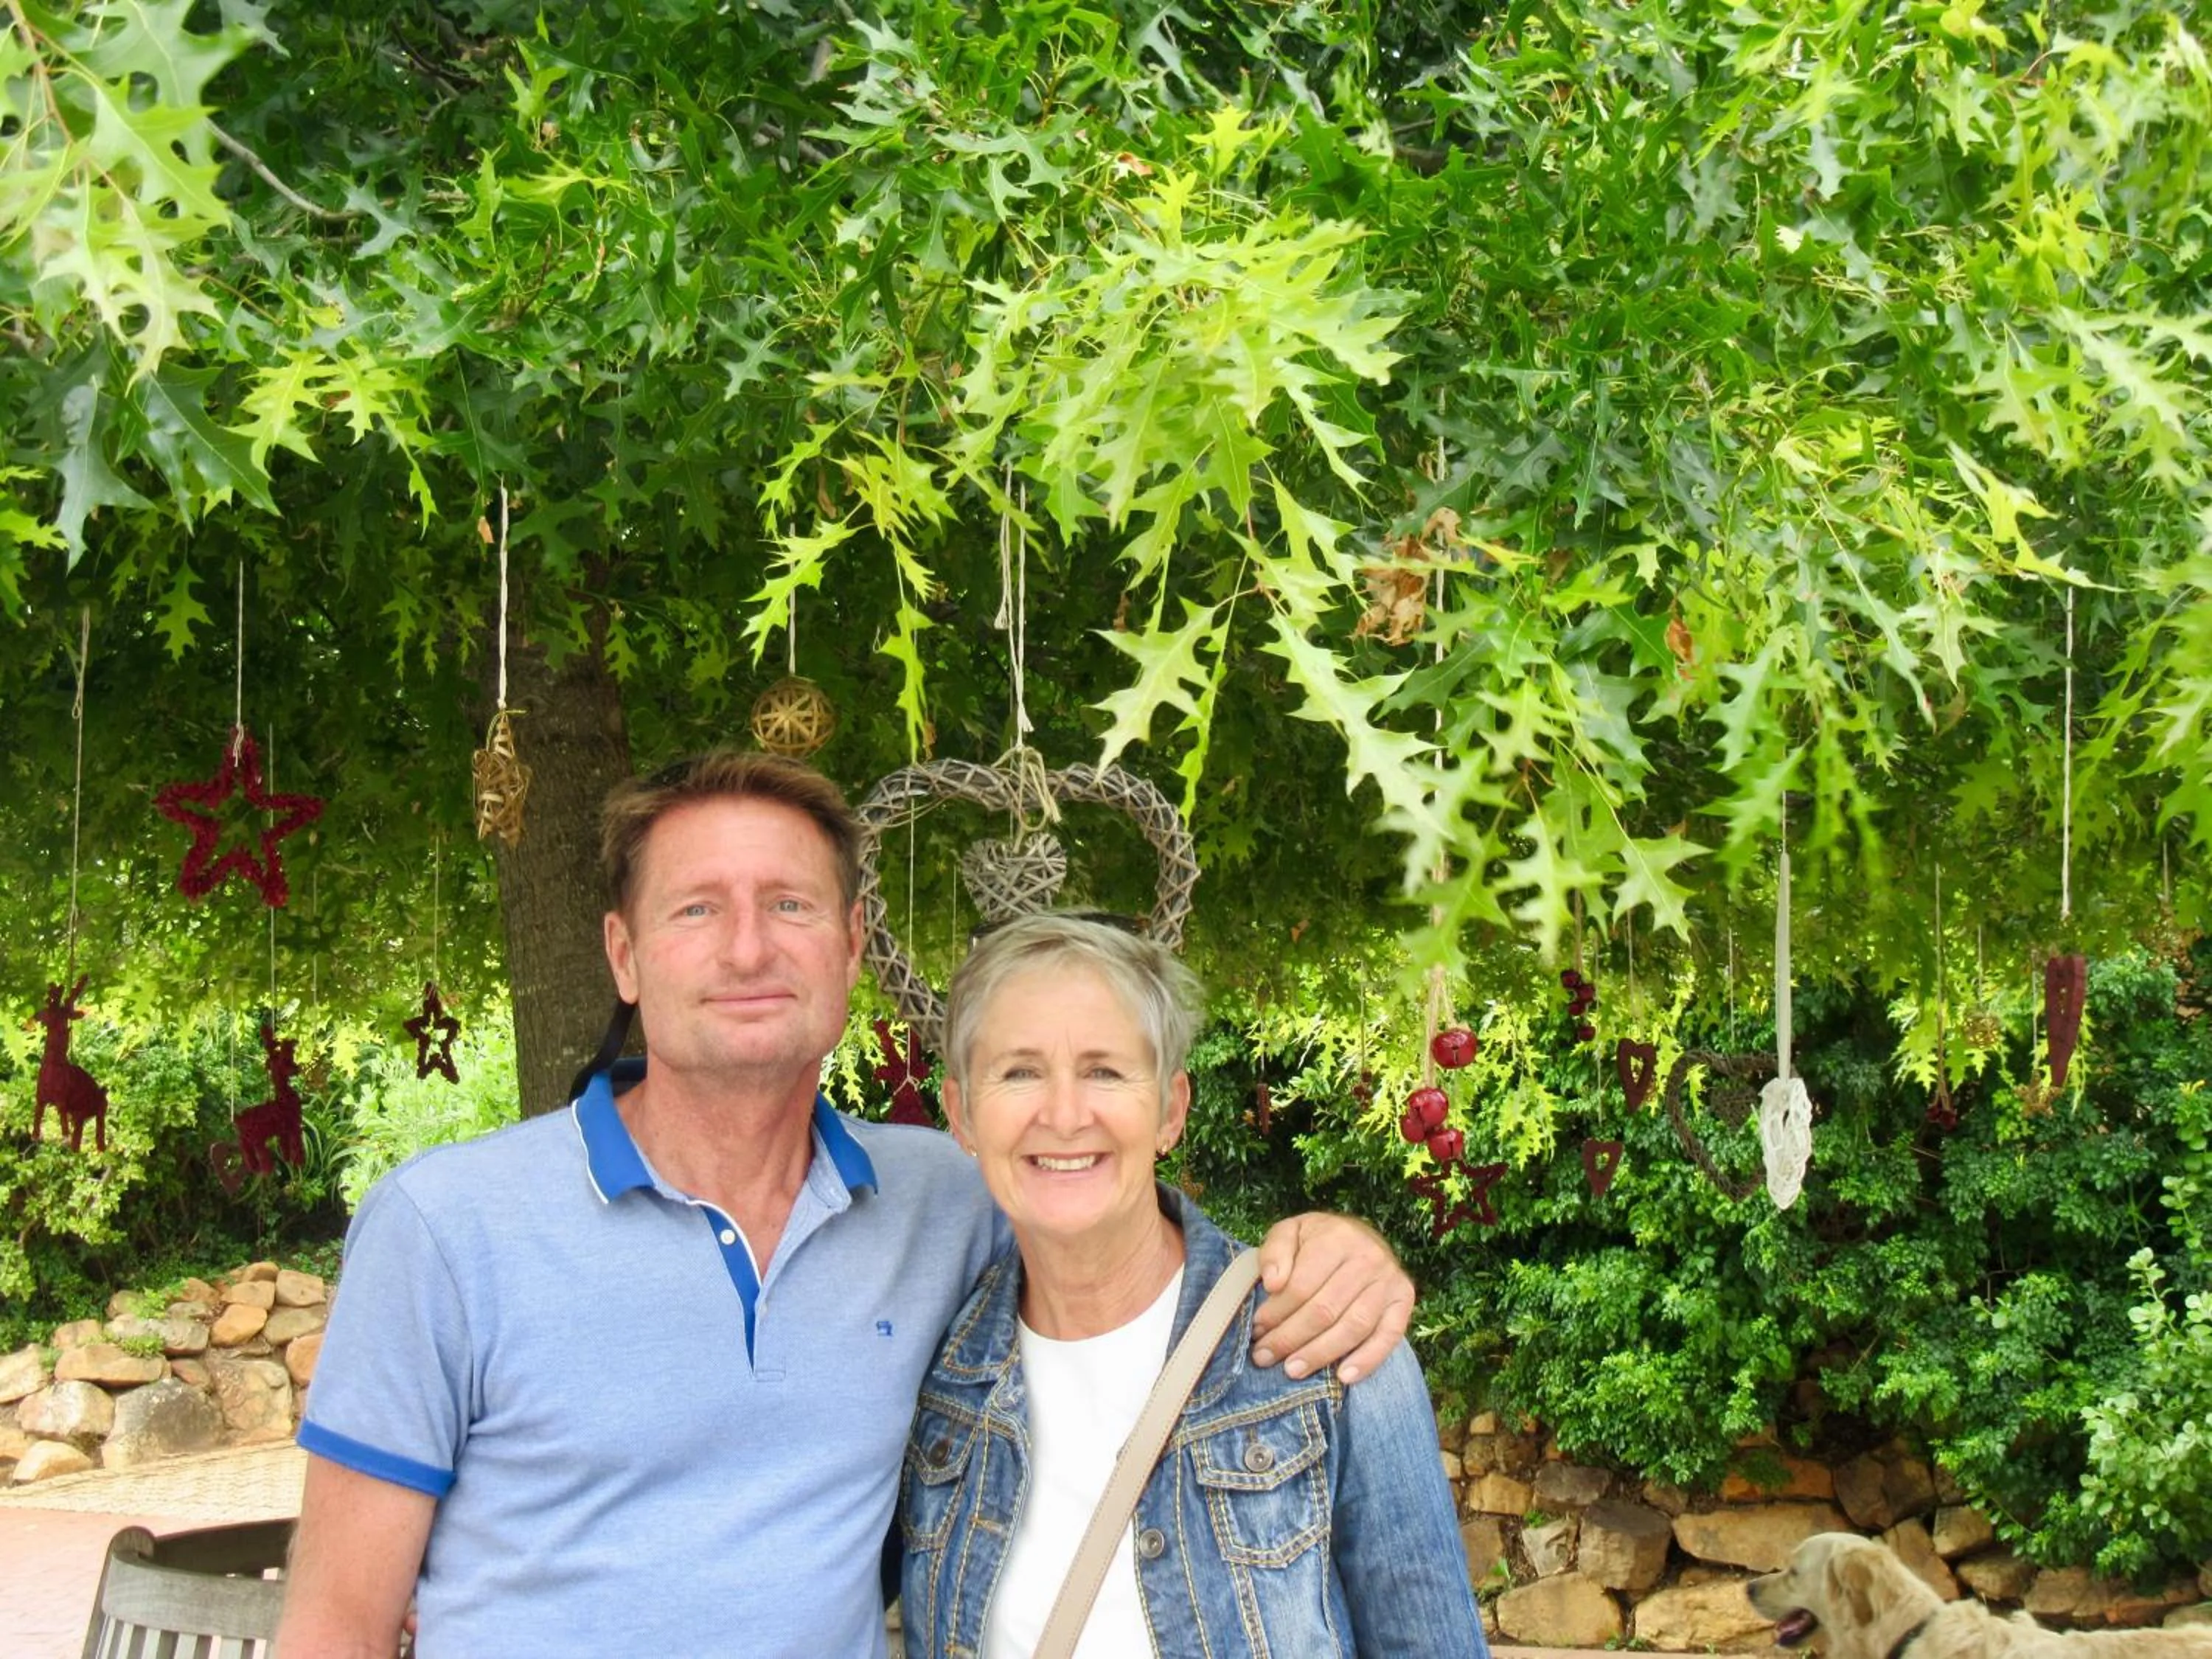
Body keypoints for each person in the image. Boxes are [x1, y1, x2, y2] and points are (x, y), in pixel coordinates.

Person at [276, 751, 1416, 1658]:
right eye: (695, 911)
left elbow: (1109, 1210)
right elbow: (337, 1627)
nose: (749, 946)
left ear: (855, 946)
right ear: (623, 954)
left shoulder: (942, 1196)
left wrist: (1337, 1247)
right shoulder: (444, 1226)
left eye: (790, 903)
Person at [900, 912, 1486, 1658]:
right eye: (1018, 1072)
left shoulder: (1323, 1343)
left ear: (1171, 1110)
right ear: (962, 1116)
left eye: (1104, 1070)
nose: (1064, 1113)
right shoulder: (938, 1375)